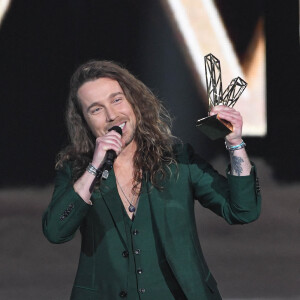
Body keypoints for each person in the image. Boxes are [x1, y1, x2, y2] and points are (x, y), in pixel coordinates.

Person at [42, 60, 261, 300]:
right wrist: (94, 167)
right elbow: (56, 231)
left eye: (117, 100)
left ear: (133, 102)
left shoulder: (178, 160)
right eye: (96, 109)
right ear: (84, 121)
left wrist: (234, 143)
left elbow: (243, 210)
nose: (112, 115)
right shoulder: (77, 172)